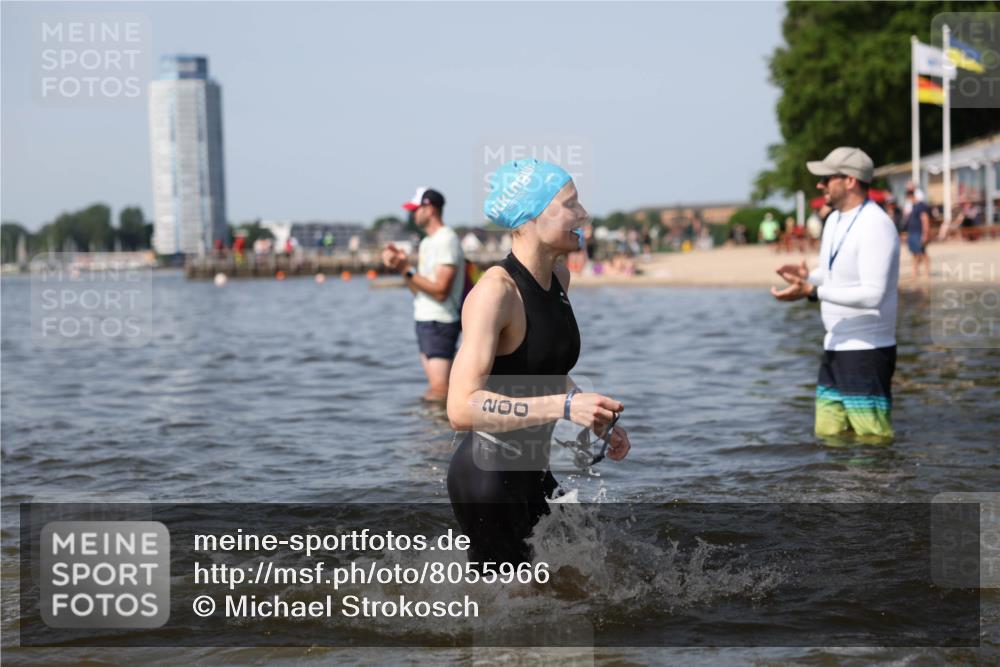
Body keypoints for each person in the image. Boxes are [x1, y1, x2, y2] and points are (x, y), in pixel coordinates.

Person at [446, 159, 631, 565]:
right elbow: (460, 407)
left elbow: (542, 367)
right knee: (513, 614)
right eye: (571, 204)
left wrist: (590, 412)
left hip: (533, 469)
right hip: (487, 472)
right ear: (531, 216)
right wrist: (564, 407)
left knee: (580, 571)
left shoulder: (559, 279)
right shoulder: (496, 292)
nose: (583, 214)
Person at [771, 147, 900, 442]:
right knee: (830, 436)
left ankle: (881, 488)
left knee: (873, 440)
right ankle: (838, 490)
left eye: (827, 178)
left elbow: (873, 294)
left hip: (867, 349)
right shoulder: (834, 220)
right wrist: (807, 277)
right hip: (835, 345)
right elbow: (833, 274)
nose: (820, 185)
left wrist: (813, 292)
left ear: (850, 181)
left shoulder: (876, 225)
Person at [381, 187, 465, 402]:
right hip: (426, 320)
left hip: (440, 321)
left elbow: (440, 291)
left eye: (416, 209)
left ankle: (438, 433)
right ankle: (435, 431)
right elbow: (419, 290)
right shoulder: (428, 242)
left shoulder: (446, 239)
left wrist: (407, 269)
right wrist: (403, 267)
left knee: (439, 390)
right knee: (437, 388)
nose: (412, 214)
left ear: (430, 209)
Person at [903, 183, 931, 279]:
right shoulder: (912, 207)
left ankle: (927, 273)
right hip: (912, 232)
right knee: (914, 254)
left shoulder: (921, 206)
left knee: (923, 253)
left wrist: (925, 234)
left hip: (919, 232)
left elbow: (925, 220)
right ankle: (915, 273)